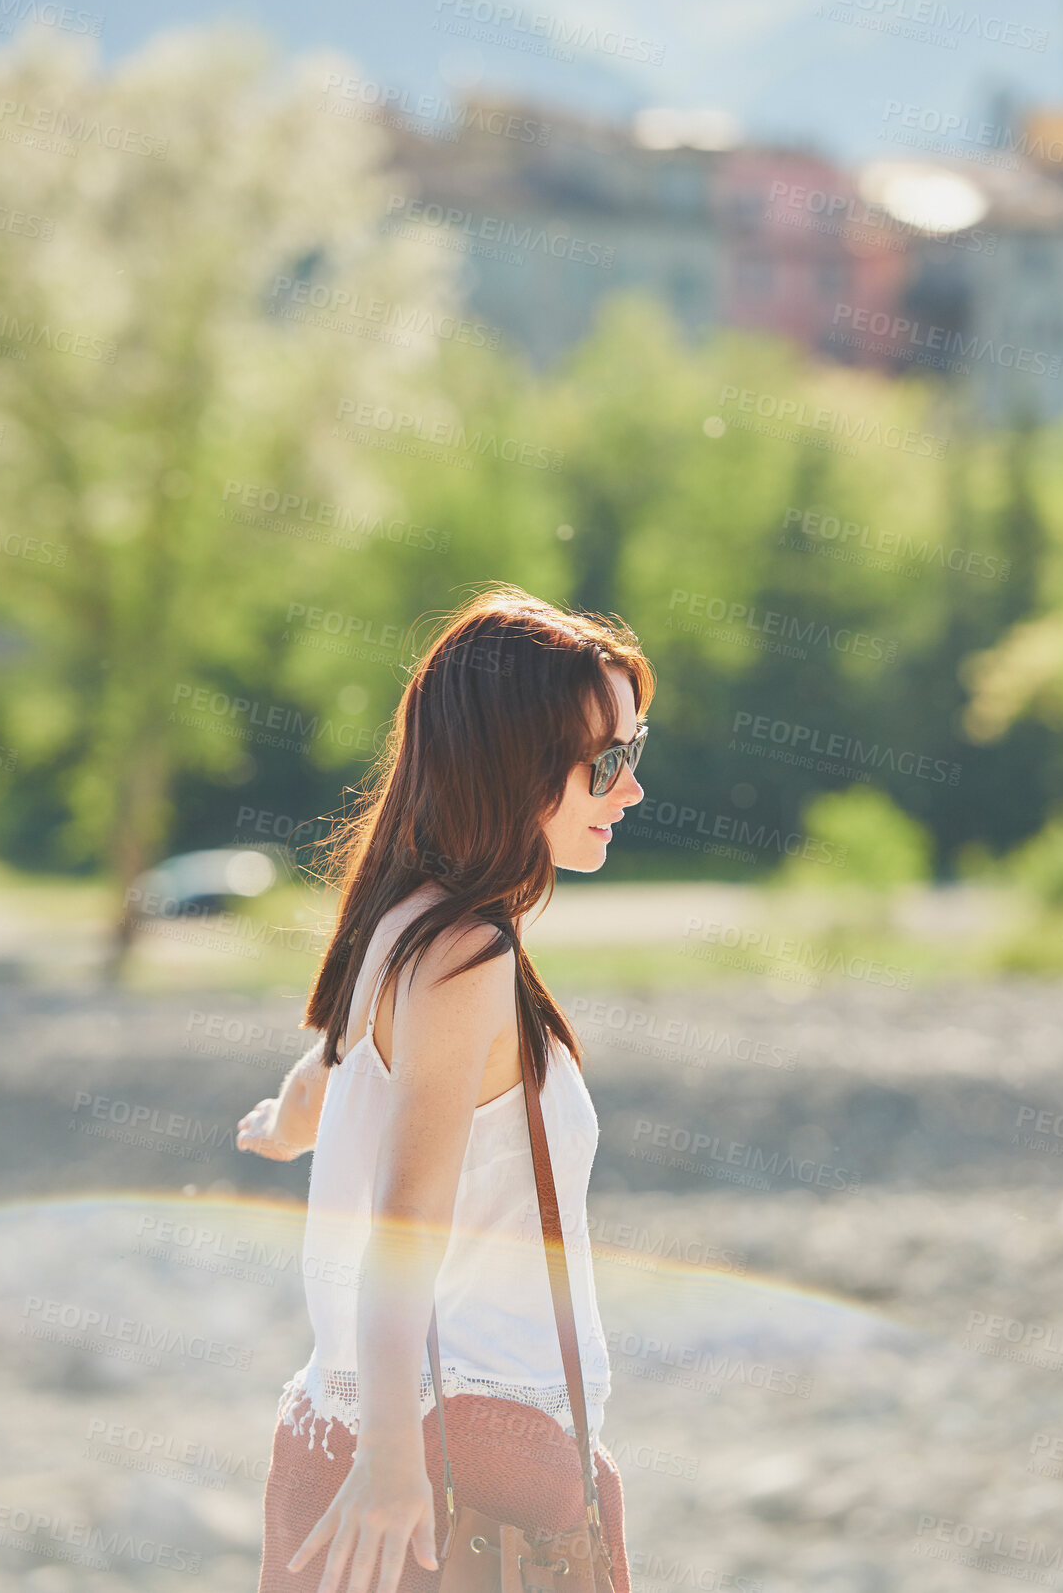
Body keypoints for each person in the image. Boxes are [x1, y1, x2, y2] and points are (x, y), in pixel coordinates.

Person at [237, 584, 654, 1593]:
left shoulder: (402, 927)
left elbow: (331, 1078)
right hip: (455, 1473)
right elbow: (405, 1217)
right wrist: (390, 1459)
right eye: (608, 762)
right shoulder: (468, 953)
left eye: (636, 754)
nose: (630, 791)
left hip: (345, 1437)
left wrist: (287, 1128)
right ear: (512, 765)